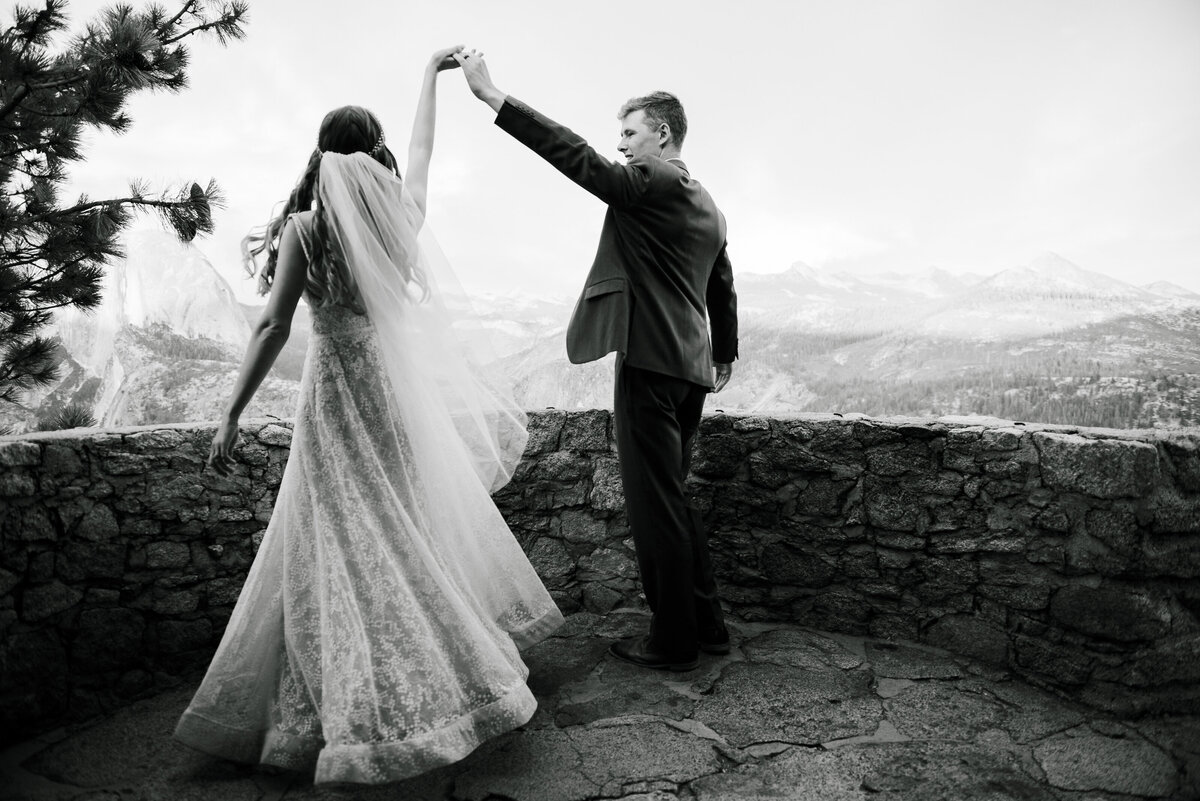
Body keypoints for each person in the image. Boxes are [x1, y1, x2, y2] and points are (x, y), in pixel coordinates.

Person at [174, 46, 563, 785]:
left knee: (339, 535)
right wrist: (428, 77)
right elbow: (423, 150)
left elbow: (272, 326)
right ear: (373, 150)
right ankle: (443, 668)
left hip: (334, 391)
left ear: (320, 155)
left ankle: (353, 698)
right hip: (387, 389)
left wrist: (230, 412)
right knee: (401, 524)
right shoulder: (397, 220)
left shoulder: (307, 227)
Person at [455, 50, 738, 672]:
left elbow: (580, 160)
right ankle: (707, 625)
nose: (623, 148)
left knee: (654, 507)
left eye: (631, 134)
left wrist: (495, 98)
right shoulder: (709, 205)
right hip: (690, 371)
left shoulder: (653, 181)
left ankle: (674, 642)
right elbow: (722, 285)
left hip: (649, 367)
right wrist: (725, 354)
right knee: (675, 499)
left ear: (663, 133)